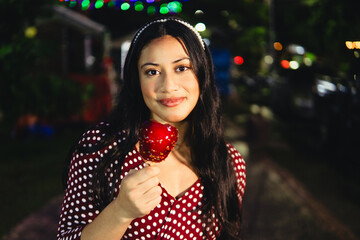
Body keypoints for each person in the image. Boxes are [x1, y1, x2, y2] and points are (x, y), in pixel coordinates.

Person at [57, 17, 246, 240]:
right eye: (152, 72)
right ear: (137, 81)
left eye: (182, 68)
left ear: (202, 74)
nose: (168, 86)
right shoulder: (100, 148)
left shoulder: (229, 162)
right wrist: (120, 212)